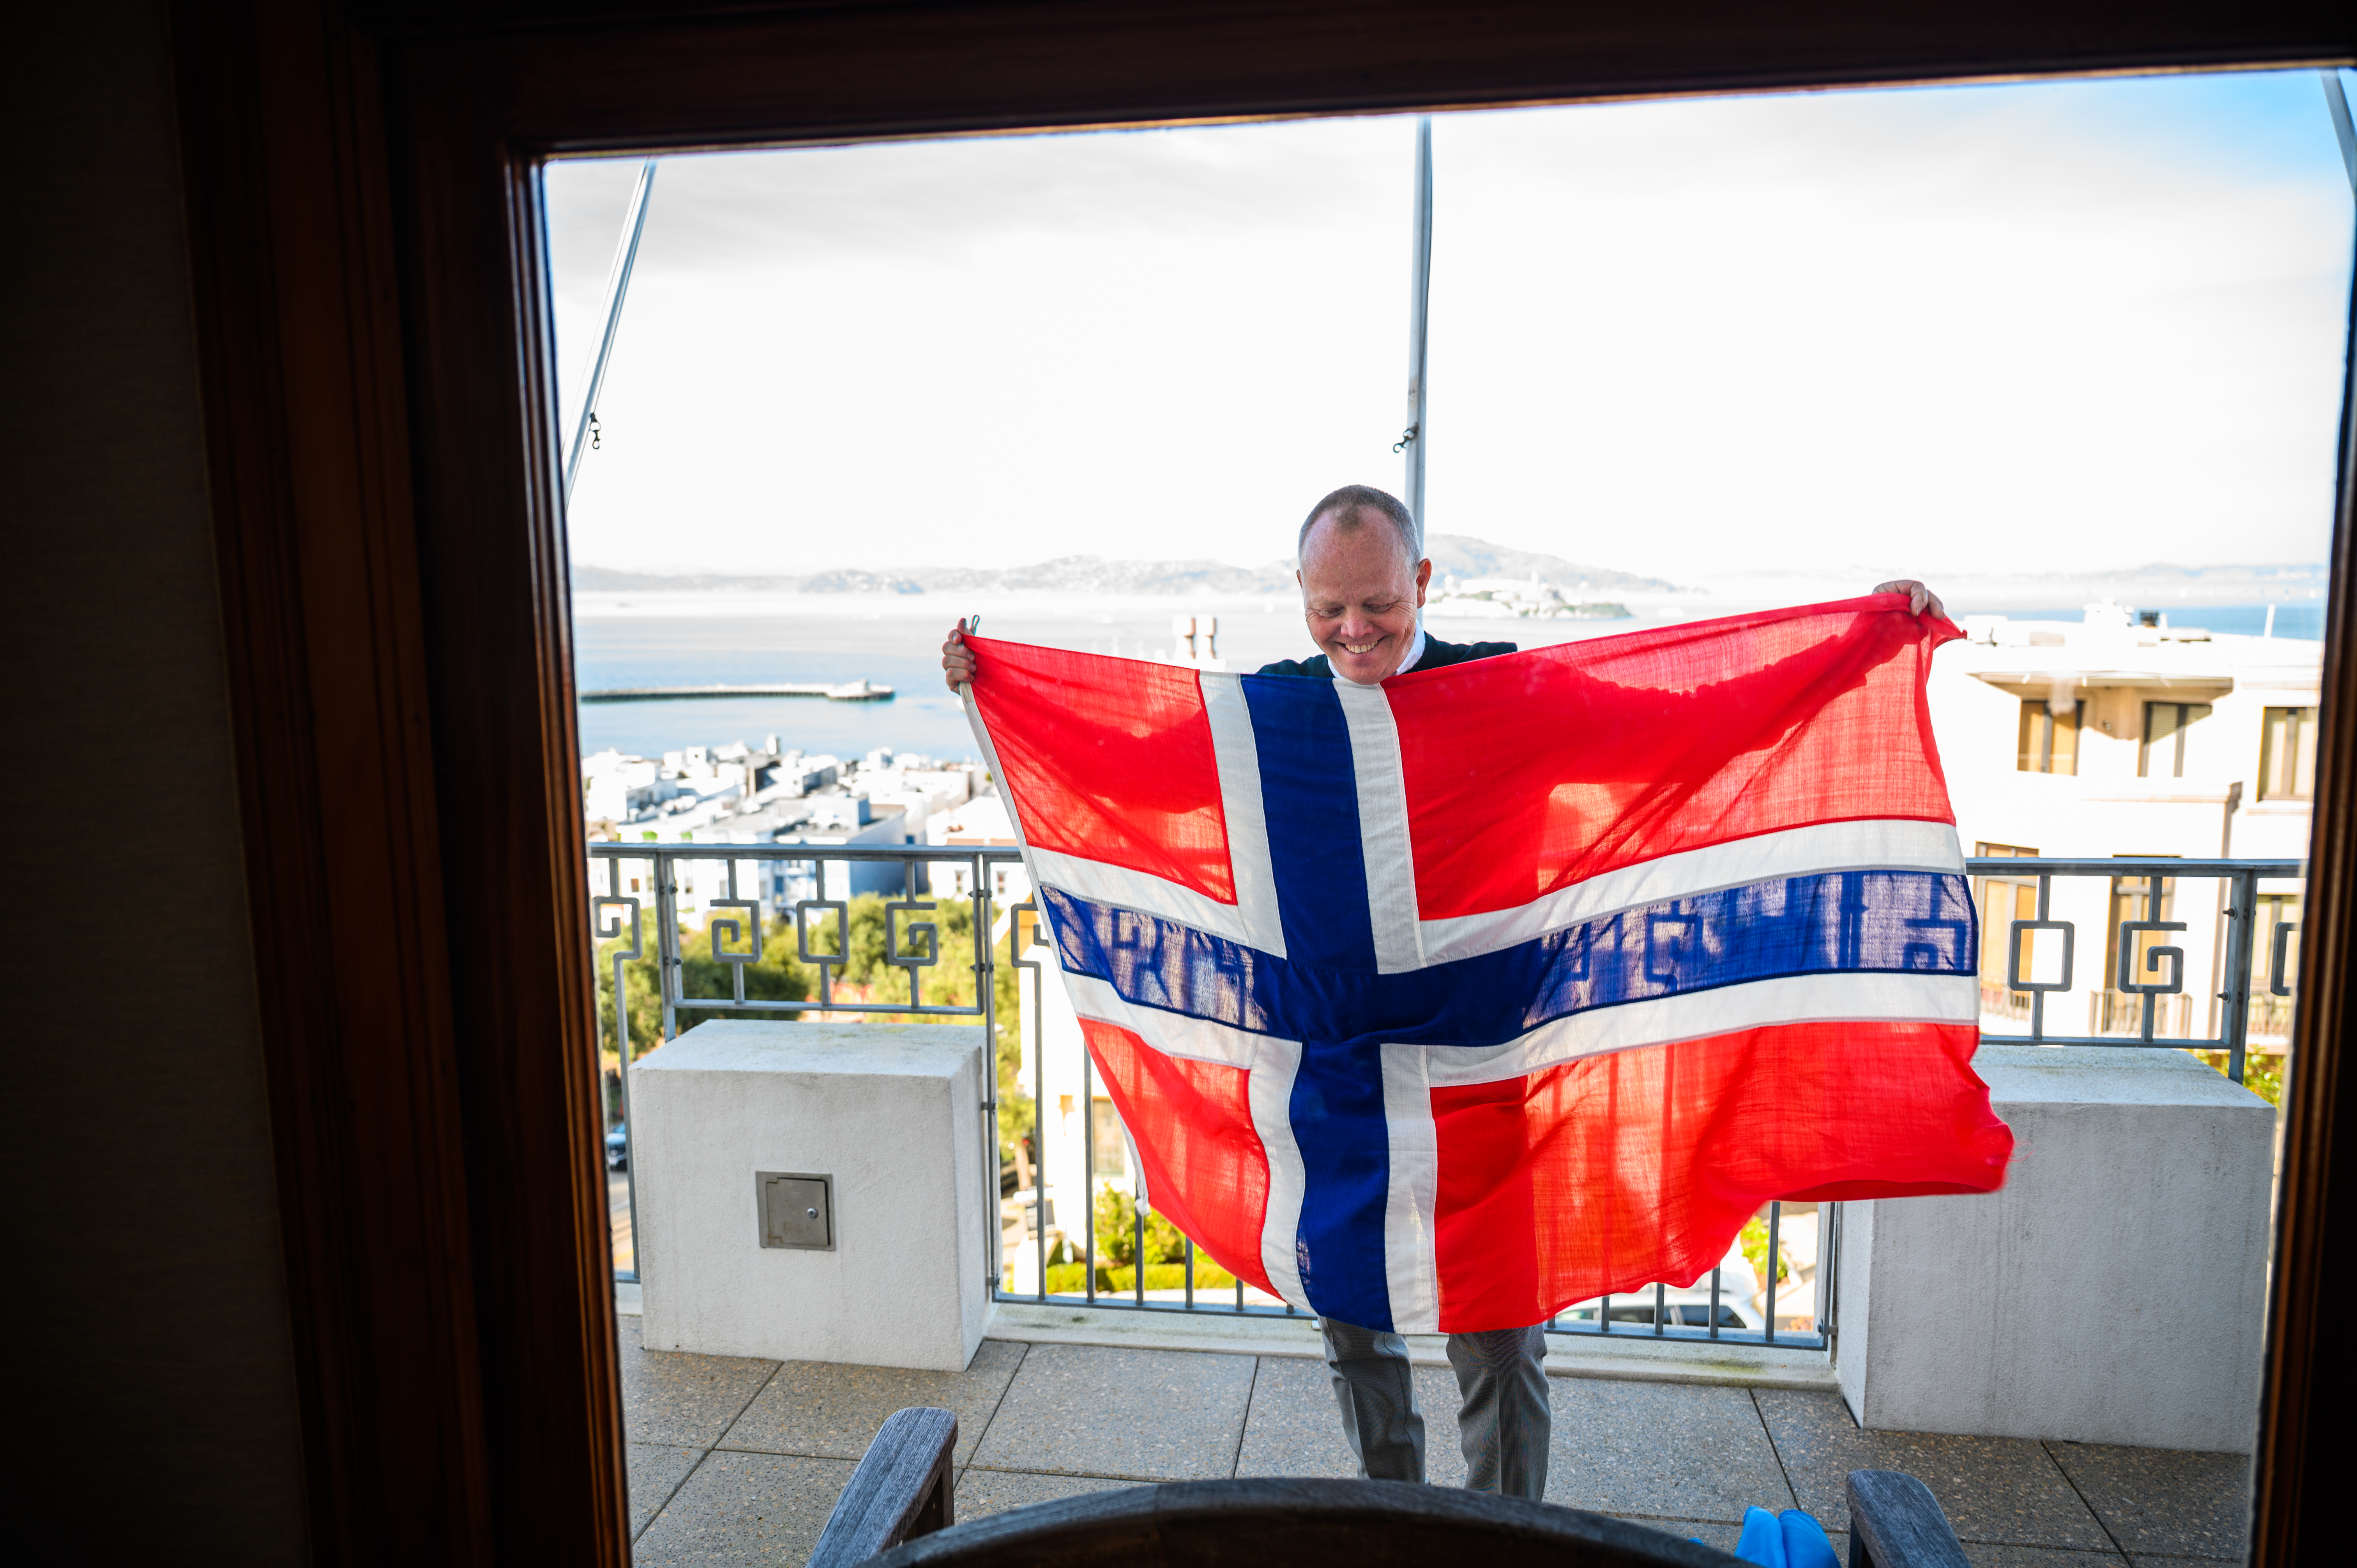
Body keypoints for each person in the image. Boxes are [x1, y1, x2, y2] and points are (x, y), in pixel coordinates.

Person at [938, 484, 1943, 1497]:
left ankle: (1508, 1543)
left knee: (1500, 1345)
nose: (1352, 629)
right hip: (1331, 1083)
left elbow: (1683, 726)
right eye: (1328, 607)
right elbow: (1130, 767)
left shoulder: (1510, 695)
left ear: (1420, 581)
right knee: (1354, 1336)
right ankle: (1396, 1524)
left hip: (1485, 1075)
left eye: (1375, 603)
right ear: (1300, 594)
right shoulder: (1273, 714)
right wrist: (996, 687)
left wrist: (1857, 643)